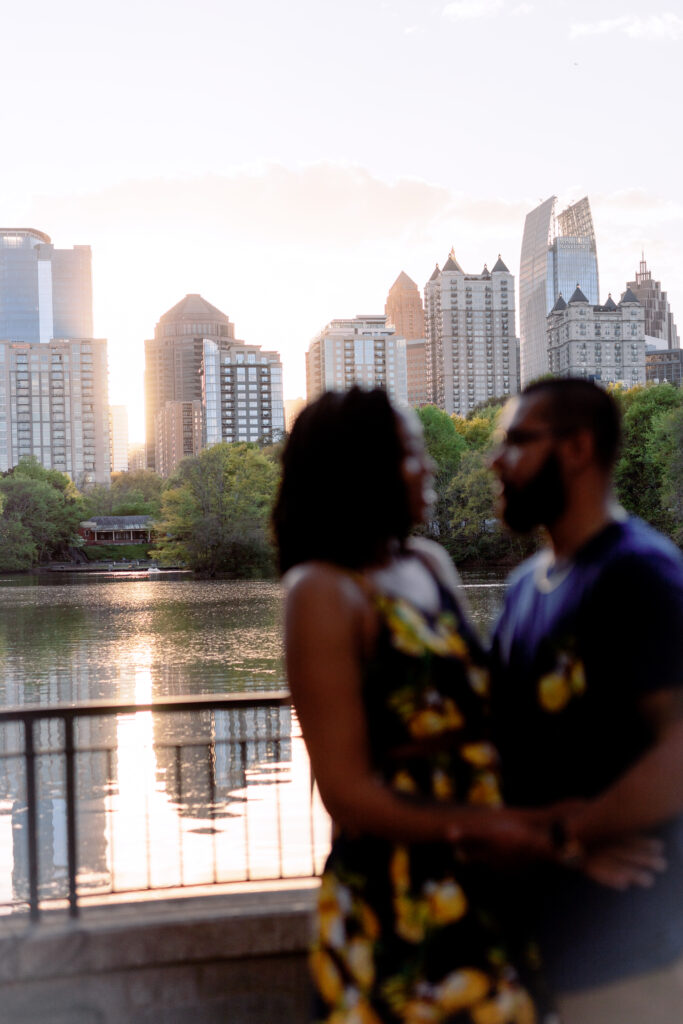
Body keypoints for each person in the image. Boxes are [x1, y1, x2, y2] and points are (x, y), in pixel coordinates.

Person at [273, 388, 558, 1024]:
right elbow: (346, 792)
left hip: (488, 879)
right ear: (359, 469)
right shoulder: (320, 592)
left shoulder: (430, 564)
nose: (428, 467)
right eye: (411, 454)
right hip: (397, 889)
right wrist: (494, 830)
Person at [489, 378, 683, 1024]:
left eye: (517, 441)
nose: (497, 461)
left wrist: (568, 835)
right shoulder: (521, 589)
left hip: (631, 952)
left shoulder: (640, 573)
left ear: (576, 447)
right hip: (530, 948)